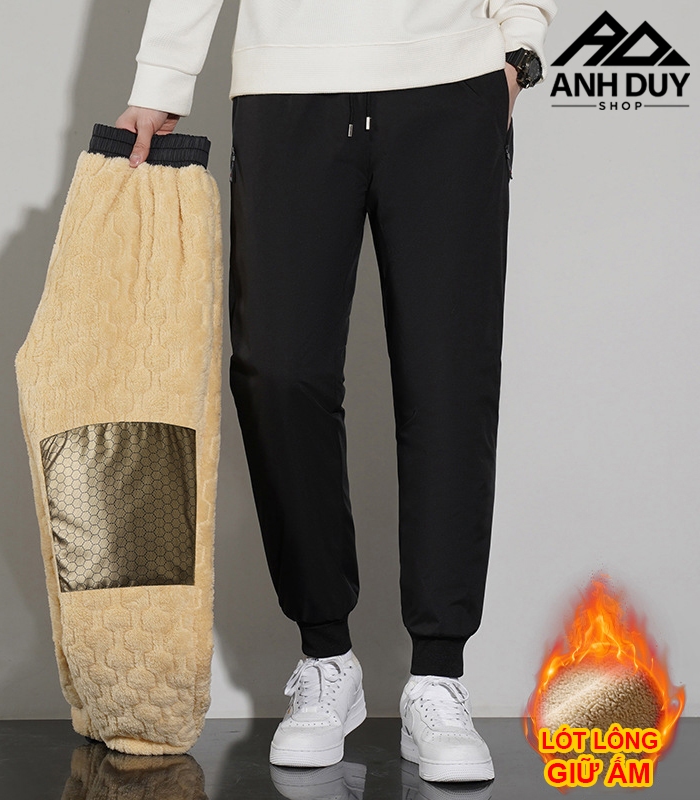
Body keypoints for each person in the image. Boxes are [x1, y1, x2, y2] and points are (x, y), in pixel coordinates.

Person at [117, 0, 557, 783]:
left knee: (449, 381)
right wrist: (162, 77)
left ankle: (439, 676)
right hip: (288, 88)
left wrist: (519, 47)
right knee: (277, 372)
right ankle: (326, 660)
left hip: (450, 85)